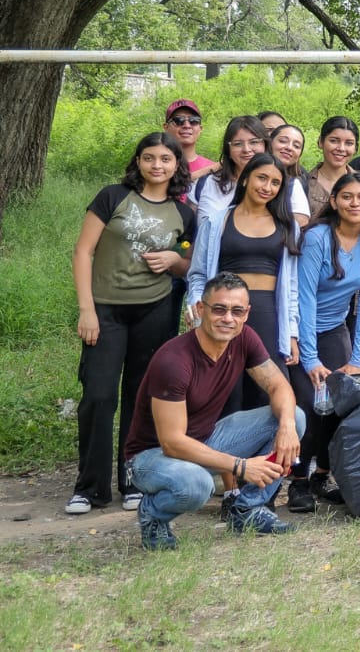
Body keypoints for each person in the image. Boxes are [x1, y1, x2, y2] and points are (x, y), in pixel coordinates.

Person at [65, 133, 196, 515]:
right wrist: (86, 309)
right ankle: (89, 488)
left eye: (165, 159)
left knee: (142, 399)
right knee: (98, 396)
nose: (157, 165)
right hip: (105, 310)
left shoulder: (184, 214)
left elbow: (189, 262)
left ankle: (134, 481)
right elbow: (82, 251)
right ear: (138, 161)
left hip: (154, 311)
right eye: (149, 158)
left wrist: (175, 260)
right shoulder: (112, 197)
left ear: (176, 166)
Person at [124, 272, 303, 550]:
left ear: (246, 314)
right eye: (218, 309)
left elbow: (278, 385)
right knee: (197, 485)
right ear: (200, 309)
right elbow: (172, 442)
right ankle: (153, 514)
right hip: (151, 457)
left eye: (236, 311)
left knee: (294, 417)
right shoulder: (174, 361)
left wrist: (288, 426)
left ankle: (247, 510)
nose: (227, 318)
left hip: (205, 439)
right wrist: (241, 466)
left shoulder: (244, 339)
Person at [288, 172, 360, 513]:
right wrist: (311, 360)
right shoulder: (317, 237)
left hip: (334, 329)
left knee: (340, 400)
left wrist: (358, 359)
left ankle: (323, 476)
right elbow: (305, 298)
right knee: (307, 402)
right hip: (301, 330)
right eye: (347, 197)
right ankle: (298, 481)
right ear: (334, 201)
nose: (355, 203)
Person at [187, 154, 301, 412]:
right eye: (262, 178)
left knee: (268, 392)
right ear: (246, 177)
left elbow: (292, 286)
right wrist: (196, 301)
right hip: (223, 312)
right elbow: (197, 273)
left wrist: (292, 332)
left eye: (275, 183)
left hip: (268, 314)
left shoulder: (288, 226)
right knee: (224, 390)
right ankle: (220, 450)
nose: (267, 187)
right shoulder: (218, 221)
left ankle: (269, 452)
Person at [303, 116, 359, 222]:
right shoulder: (303, 183)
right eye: (334, 141)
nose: (341, 148)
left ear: (355, 148)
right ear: (320, 142)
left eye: (349, 143)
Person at [268, 123, 310, 227]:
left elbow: (301, 221)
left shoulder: (294, 185)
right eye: (282, 141)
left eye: (296, 146)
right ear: (270, 143)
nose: (289, 148)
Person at [163, 99, 215, 175]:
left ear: (200, 129)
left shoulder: (215, 170)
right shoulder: (155, 168)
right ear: (166, 127)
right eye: (179, 120)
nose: (187, 126)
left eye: (193, 121)